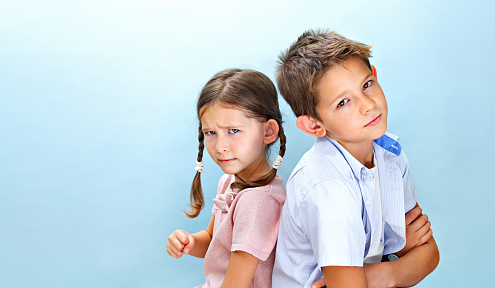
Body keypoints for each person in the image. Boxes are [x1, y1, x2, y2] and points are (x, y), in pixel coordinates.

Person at [272, 29, 440, 288]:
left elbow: (428, 254)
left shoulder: (389, 153)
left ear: (374, 75)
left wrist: (385, 273)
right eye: (343, 102)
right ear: (314, 126)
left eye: (366, 85)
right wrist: (396, 264)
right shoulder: (328, 186)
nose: (368, 105)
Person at [166, 69, 287, 288]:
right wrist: (190, 243)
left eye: (233, 130)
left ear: (268, 131)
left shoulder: (258, 200)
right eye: (210, 133)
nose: (221, 147)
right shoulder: (230, 181)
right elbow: (214, 241)